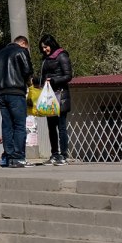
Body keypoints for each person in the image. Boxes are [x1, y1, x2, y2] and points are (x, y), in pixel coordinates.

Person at [0, 35, 34, 168]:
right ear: (23, 43)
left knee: (7, 125)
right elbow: (28, 71)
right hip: (16, 92)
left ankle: (8, 157)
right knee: (19, 125)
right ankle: (19, 157)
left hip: (1, 93)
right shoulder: (21, 51)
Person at [38, 33, 73, 165]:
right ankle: (54, 154)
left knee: (61, 127)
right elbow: (44, 76)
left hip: (60, 95)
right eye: (42, 48)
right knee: (51, 127)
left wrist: (53, 80)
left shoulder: (62, 56)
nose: (44, 50)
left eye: (46, 47)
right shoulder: (45, 59)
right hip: (49, 96)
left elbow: (68, 76)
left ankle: (63, 155)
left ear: (51, 44)